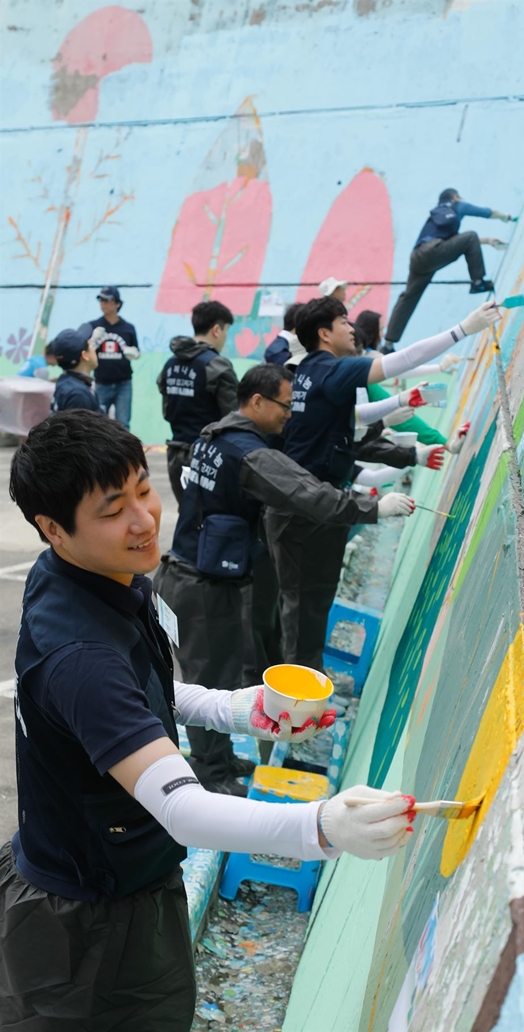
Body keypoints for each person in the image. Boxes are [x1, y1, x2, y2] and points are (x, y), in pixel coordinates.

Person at [2, 408, 416, 1029]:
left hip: (126, 875)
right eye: (113, 511)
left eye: (144, 490)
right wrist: (323, 827)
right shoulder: (80, 654)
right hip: (83, 928)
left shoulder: (108, 578)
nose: (144, 520)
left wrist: (237, 708)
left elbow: (151, 694)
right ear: (52, 528)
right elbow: (185, 810)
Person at [153, 365, 413, 794]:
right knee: (206, 679)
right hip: (200, 588)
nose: (289, 415)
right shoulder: (249, 454)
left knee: (220, 674)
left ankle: (219, 759)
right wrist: (372, 509)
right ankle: (211, 774)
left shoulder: (212, 436)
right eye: (284, 406)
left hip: (187, 577)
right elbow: (306, 493)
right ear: (256, 401)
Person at [266, 295, 500, 668]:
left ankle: (304, 689)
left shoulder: (311, 373)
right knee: (302, 611)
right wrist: (462, 330)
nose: (351, 327)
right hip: (304, 513)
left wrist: (413, 438)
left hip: (312, 508)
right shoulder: (330, 369)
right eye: (344, 321)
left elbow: (354, 429)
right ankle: (296, 700)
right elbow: (401, 361)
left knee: (310, 607)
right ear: (325, 333)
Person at [384, 188, 513, 347]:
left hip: (418, 257)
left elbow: (455, 243)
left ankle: (388, 344)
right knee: (470, 235)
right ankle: (478, 282)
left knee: (409, 297)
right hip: (433, 251)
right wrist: (505, 216)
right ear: (454, 196)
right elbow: (484, 212)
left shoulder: (436, 217)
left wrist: (488, 241)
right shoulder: (456, 205)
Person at [157, 300, 238, 504]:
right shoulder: (216, 365)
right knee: (211, 521)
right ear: (216, 330)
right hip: (208, 457)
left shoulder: (170, 364)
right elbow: (233, 417)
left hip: (175, 456)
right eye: (226, 330)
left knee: (187, 518)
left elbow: (167, 411)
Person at [90, 286, 139, 429]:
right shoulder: (94, 326)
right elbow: (86, 352)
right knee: (97, 424)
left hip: (123, 383)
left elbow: (136, 351)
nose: (103, 303)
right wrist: (91, 343)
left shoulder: (128, 328)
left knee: (123, 424)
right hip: (101, 382)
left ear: (118, 303)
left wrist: (134, 353)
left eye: (108, 300)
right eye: (101, 300)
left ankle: (123, 452)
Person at [50, 324, 101, 413]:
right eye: (90, 345)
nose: (94, 350)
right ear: (84, 355)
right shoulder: (78, 395)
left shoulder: (66, 382)